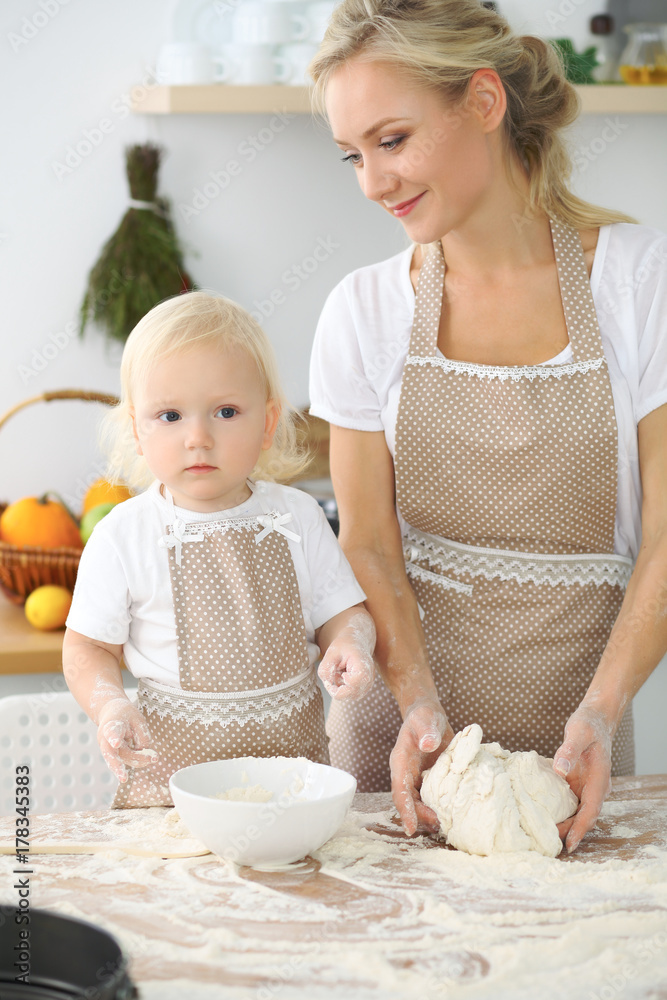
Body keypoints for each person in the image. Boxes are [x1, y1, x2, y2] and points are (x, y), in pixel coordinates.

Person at [307, 0, 667, 852]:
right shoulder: (363, 310)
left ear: (481, 102)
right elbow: (367, 543)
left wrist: (600, 713)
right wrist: (421, 711)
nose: (372, 182)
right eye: (352, 156)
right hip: (398, 743)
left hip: (579, 750)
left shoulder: (638, 280)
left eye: (392, 141)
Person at [63, 291, 375, 808]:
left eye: (226, 411)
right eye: (170, 416)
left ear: (269, 421)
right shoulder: (123, 535)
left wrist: (351, 643)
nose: (198, 437)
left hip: (293, 793)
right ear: (136, 430)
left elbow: (344, 615)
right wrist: (111, 705)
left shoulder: (297, 517)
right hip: (169, 798)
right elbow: (88, 649)